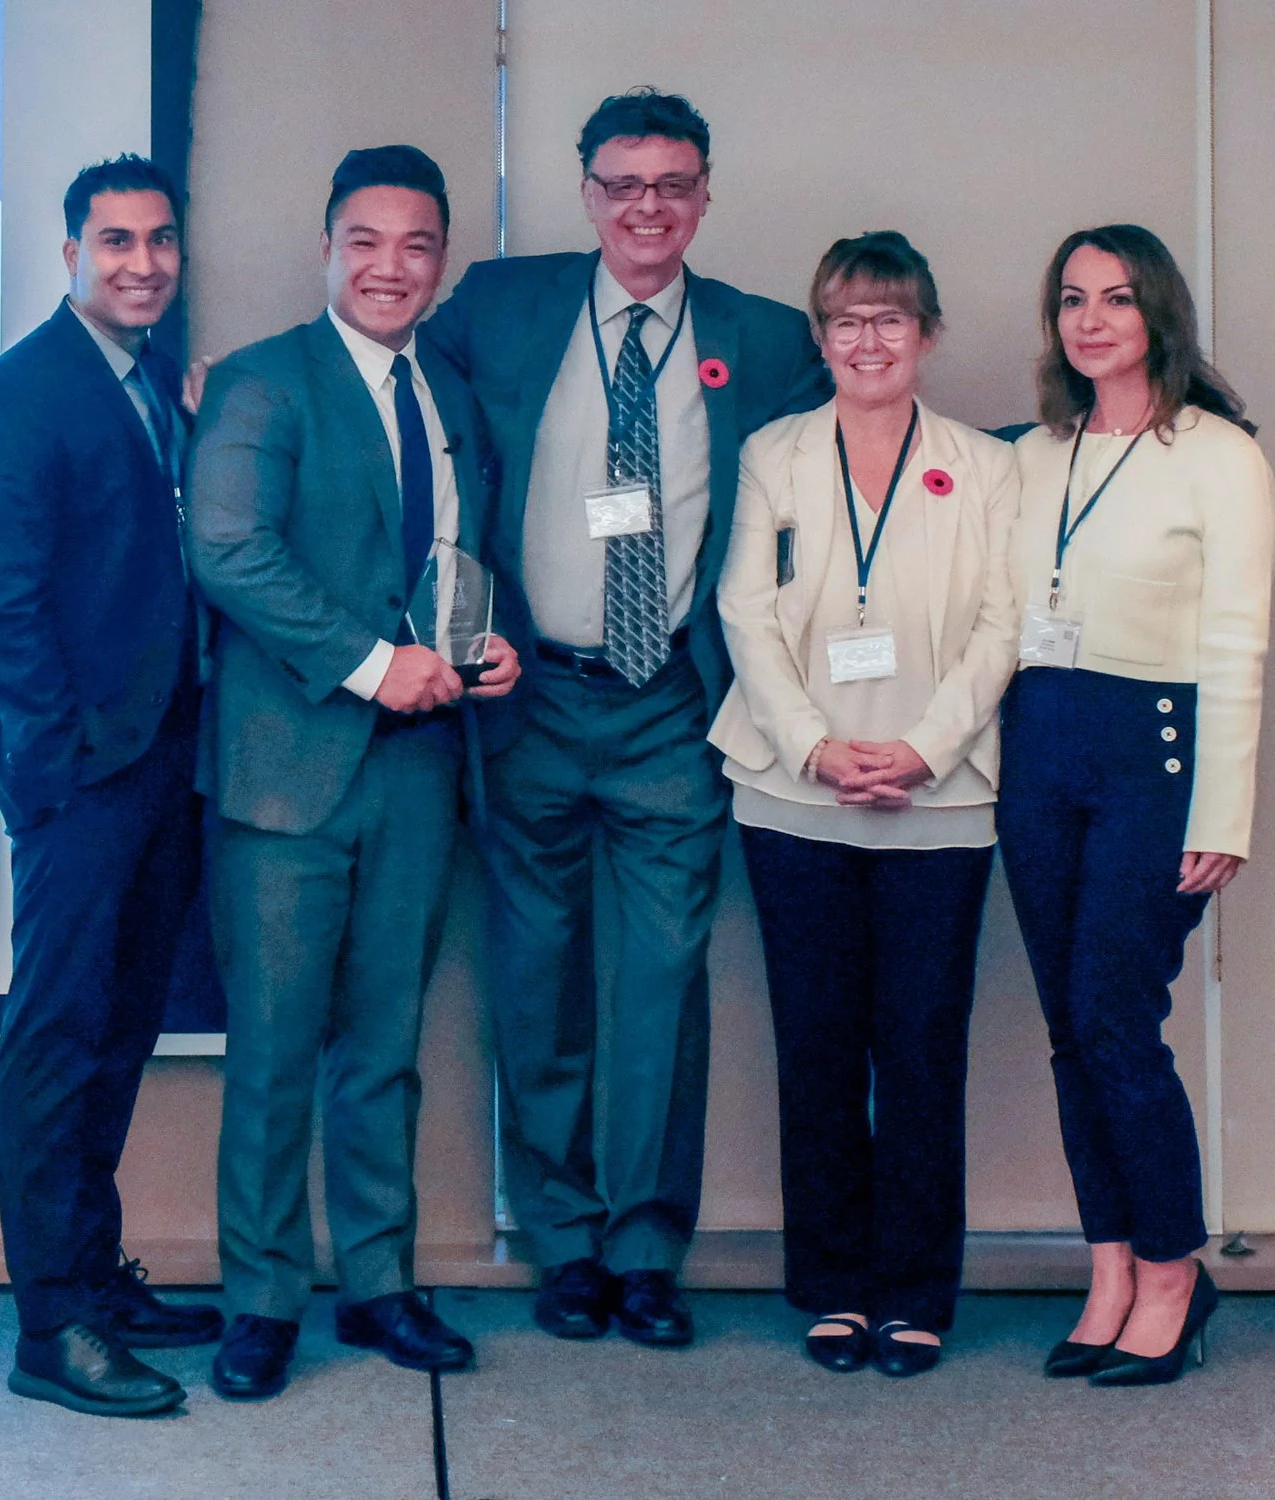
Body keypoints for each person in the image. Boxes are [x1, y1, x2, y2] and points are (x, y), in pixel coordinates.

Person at [422, 88, 830, 1347]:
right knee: (536, 981)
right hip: (528, 696)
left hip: (671, 708)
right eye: (621, 184)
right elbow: (376, 394)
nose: (646, 206)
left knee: (660, 984)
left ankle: (647, 1248)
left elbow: (865, 445)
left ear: (705, 194)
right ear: (584, 191)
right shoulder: (500, 305)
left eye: (672, 184)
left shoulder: (761, 339)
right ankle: (564, 1247)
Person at [189, 145, 520, 1403]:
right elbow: (226, 549)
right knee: (275, 1050)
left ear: (439, 260)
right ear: (327, 247)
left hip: (422, 771)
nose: (392, 267)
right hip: (287, 776)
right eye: (366, 242)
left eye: (417, 245)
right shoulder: (266, 383)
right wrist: (376, 664)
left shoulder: (451, 391)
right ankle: (263, 1299)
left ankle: (378, 1284)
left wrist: (482, 647)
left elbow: (455, 558)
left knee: (384, 1047)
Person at [711, 233, 1020, 1377]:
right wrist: (816, 747)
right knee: (819, 1048)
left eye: (889, 318)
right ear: (820, 336)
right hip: (794, 796)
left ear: (927, 335)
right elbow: (744, 612)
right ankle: (835, 1287)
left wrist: (922, 751)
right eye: (844, 319)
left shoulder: (988, 466)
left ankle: (913, 1291)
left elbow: (1001, 627)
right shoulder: (773, 454)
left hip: (940, 803)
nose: (866, 340)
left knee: (923, 1048)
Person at [0, 155, 223, 1419]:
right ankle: (49, 1326)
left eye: (160, 240)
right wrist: (53, 779)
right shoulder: (12, 397)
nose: (142, 263)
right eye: (115, 240)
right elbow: (3, 615)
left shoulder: (160, 382)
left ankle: (95, 1279)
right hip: (79, 781)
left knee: (119, 1032)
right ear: (69, 250)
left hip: (167, 764)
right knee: (55, 1043)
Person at [1000, 223, 1273, 1387]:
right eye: (1072, 298)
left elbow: (1236, 640)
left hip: (1154, 759)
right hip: (1040, 749)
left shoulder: (1217, 453)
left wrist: (1222, 812)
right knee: (1070, 1028)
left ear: (1158, 312)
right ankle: (1107, 1262)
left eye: (1116, 297)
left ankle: (1174, 1266)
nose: (1092, 319)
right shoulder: (1036, 451)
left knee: (1117, 1019)